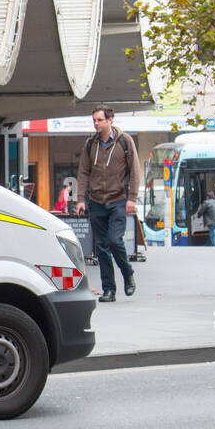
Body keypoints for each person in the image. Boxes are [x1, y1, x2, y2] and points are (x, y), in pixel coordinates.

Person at [76, 105, 142, 303]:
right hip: (96, 201)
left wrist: (132, 198)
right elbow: (83, 173)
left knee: (115, 241)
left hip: (118, 200)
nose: (96, 123)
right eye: (94, 120)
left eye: (99, 120)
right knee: (102, 247)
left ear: (110, 120)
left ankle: (127, 273)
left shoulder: (125, 141)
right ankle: (109, 290)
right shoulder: (90, 144)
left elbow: (135, 171)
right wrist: (80, 199)